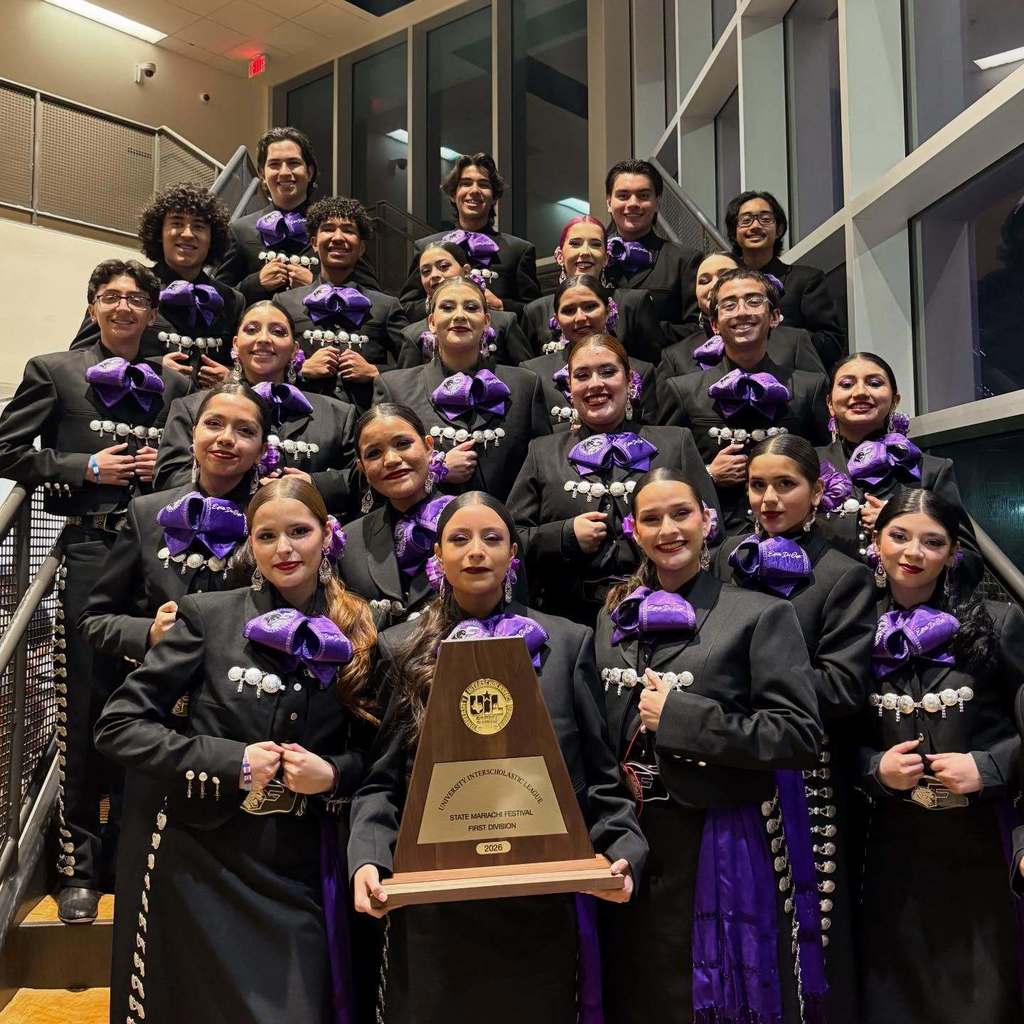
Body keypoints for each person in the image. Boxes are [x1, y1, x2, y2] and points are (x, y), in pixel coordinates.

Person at [348, 491, 647, 1024]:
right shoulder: (401, 647)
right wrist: (369, 857)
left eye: (492, 538)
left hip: (540, 897)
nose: (476, 551)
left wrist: (624, 847)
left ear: (514, 554)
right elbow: (382, 782)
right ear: (436, 557)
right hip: (437, 902)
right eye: (458, 540)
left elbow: (600, 775)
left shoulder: (567, 641)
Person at [95, 477, 379, 1024]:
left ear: (328, 536)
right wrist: (229, 760)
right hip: (206, 859)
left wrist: (334, 774)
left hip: (299, 864)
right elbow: (119, 725)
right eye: (267, 536)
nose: (284, 549)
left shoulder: (364, 625)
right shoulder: (207, 615)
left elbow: (377, 756)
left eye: (299, 531)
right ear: (250, 543)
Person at [593, 468, 822, 1024]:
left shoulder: (760, 613)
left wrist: (683, 719)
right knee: (637, 993)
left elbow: (798, 736)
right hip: (629, 840)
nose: (668, 529)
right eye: (652, 518)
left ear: (708, 521)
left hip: (717, 840)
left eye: (681, 514)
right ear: (634, 530)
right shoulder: (610, 619)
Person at [78, 382, 270, 1012]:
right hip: (159, 735)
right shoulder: (144, 511)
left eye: (244, 430)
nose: (227, 439)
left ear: (261, 447)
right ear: (192, 433)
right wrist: (146, 632)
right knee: (146, 902)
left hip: (240, 730)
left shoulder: (273, 518)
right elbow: (96, 619)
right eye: (216, 423)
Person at [0, 259, 173, 923]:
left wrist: (170, 467)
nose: (125, 307)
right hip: (93, 550)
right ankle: (80, 864)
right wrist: (81, 466)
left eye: (136, 298)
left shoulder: (175, 381)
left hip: (159, 559)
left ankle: (133, 858)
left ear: (152, 312)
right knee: (84, 704)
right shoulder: (56, 371)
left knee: (152, 703)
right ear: (94, 306)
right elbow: (9, 449)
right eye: (111, 297)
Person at [712, 434, 876, 1024]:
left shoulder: (841, 576)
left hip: (803, 776)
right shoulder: (725, 559)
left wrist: (753, 695)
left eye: (786, 484)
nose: (770, 498)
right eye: (758, 485)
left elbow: (843, 688)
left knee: (808, 933)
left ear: (816, 491)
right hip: (730, 761)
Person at [858, 487, 1024, 1024]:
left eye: (933, 542)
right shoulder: (852, 627)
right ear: (877, 542)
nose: (913, 552)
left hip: (980, 842)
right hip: (889, 850)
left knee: (980, 995)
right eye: (899, 536)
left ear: (953, 553)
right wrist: (874, 769)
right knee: (896, 996)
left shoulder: (999, 622)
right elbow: (829, 738)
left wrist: (991, 765)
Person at [508, 333, 718, 626]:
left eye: (608, 371)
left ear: (629, 380)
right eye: (582, 375)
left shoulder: (675, 444)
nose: (596, 383)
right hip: (568, 618)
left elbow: (712, 528)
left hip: (667, 612)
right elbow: (510, 538)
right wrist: (564, 535)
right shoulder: (542, 451)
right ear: (569, 387)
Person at [658, 267, 830, 533]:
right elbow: (664, 475)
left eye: (753, 301)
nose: (741, 312)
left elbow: (825, 463)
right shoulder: (682, 390)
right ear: (714, 324)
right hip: (714, 538)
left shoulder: (809, 387)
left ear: (774, 316)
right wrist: (709, 474)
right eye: (729, 305)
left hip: (793, 536)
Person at [154, 302, 358, 516]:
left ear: (295, 349)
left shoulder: (338, 414)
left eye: (278, 332)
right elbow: (169, 479)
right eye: (251, 330)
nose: (263, 339)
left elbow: (361, 480)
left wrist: (315, 485)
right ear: (235, 344)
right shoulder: (190, 407)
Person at [371, 276, 550, 503]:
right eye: (447, 307)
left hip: (508, 528)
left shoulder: (525, 384)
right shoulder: (394, 388)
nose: (459, 315)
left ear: (486, 321)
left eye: (471, 307)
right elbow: (374, 470)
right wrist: (435, 470)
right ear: (432, 322)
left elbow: (544, 468)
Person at [815, 351, 981, 587]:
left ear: (895, 400)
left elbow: (969, 563)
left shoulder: (932, 470)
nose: (860, 392)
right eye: (847, 384)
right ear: (830, 403)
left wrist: (905, 524)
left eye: (874, 383)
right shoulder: (808, 466)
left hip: (905, 612)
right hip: (825, 612)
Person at [71, 184, 244, 385]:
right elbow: (80, 357)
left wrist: (231, 376)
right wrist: (148, 369)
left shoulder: (232, 300)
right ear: (159, 233)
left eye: (199, 226)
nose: (187, 234)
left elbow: (244, 362)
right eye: (177, 223)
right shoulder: (128, 288)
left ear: (212, 237)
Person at [217, 126, 380, 304]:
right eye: (274, 164)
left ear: (309, 172)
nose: (285, 172)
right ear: (262, 174)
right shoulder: (240, 230)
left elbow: (373, 297)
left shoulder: (338, 229)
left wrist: (318, 285)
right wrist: (255, 284)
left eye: (293, 163)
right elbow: (219, 298)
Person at [274, 196, 408, 412]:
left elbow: (413, 368)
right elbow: (268, 362)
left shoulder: (386, 305)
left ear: (362, 248)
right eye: (328, 229)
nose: (338, 237)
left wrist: (375, 372)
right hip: (300, 420)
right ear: (314, 243)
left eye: (348, 230)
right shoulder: (285, 302)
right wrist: (301, 368)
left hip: (365, 420)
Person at [397, 153, 541, 319]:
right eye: (465, 184)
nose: (474, 190)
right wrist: (436, 302)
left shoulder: (519, 250)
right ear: (453, 194)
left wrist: (501, 306)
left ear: (494, 197)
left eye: (483, 184)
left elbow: (536, 311)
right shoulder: (426, 247)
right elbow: (406, 308)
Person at [656, 250, 824, 381]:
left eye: (724, 275)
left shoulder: (794, 342)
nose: (714, 285)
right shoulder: (675, 357)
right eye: (704, 281)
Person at [521, 215, 668, 363]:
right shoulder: (535, 311)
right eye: (575, 243)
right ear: (559, 256)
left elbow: (654, 366)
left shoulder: (633, 303)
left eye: (595, 245)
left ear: (605, 258)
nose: (585, 252)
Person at [726, 190, 845, 369]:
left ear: (779, 229)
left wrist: (768, 335)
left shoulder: (805, 280)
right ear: (734, 233)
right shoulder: (724, 286)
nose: (755, 226)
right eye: (746, 220)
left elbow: (831, 342)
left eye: (765, 219)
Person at [520, 275, 658, 430]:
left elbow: (650, 433)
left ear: (608, 310)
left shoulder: (642, 371)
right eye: (569, 310)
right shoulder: (533, 374)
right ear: (557, 320)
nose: (580, 317)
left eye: (590, 307)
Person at [396, 240, 532, 367]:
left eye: (443, 266)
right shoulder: (413, 335)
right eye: (426, 271)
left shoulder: (504, 322)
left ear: (466, 270)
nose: (434, 275)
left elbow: (526, 377)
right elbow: (406, 387)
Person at [603, 159, 703, 330]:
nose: (633, 203)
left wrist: (649, 331)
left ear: (657, 202)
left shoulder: (685, 260)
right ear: (608, 203)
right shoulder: (595, 257)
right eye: (623, 196)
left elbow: (695, 330)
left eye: (643, 196)